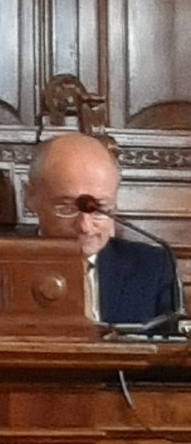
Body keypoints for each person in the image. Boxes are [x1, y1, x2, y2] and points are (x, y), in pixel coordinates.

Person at [24, 132, 179, 325]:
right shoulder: (1, 266)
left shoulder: (152, 267)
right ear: (30, 197)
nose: (85, 227)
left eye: (99, 209)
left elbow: (170, 340)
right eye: (67, 208)